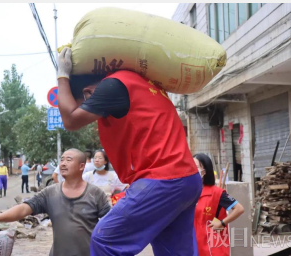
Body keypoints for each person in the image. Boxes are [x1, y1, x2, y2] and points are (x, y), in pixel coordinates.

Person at [57, 47, 202, 255]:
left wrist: (62, 77)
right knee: (175, 252)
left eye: (83, 103)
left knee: (105, 240)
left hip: (161, 180)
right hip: (187, 179)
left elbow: (70, 120)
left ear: (88, 93)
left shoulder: (111, 86)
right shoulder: (142, 84)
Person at [0, 148, 111, 256]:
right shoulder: (50, 193)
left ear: (82, 166)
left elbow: (111, 224)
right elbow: (24, 208)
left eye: (68, 160)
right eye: (62, 160)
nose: (63, 163)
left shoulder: (95, 194)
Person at [193, 153, 245, 256]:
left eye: (197, 167)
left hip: (212, 248)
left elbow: (239, 209)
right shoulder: (190, 193)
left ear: (205, 171)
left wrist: (222, 223)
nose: (193, 170)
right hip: (194, 245)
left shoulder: (217, 193)